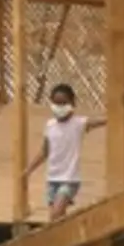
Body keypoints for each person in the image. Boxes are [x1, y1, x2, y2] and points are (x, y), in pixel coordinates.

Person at [24, 84, 105, 221]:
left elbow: (97, 122)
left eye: (63, 103)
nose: (59, 107)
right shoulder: (50, 126)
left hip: (69, 179)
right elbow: (44, 151)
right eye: (56, 103)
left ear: (72, 103)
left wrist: (115, 116)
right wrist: (29, 170)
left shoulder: (78, 124)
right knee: (56, 218)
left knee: (56, 213)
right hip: (52, 179)